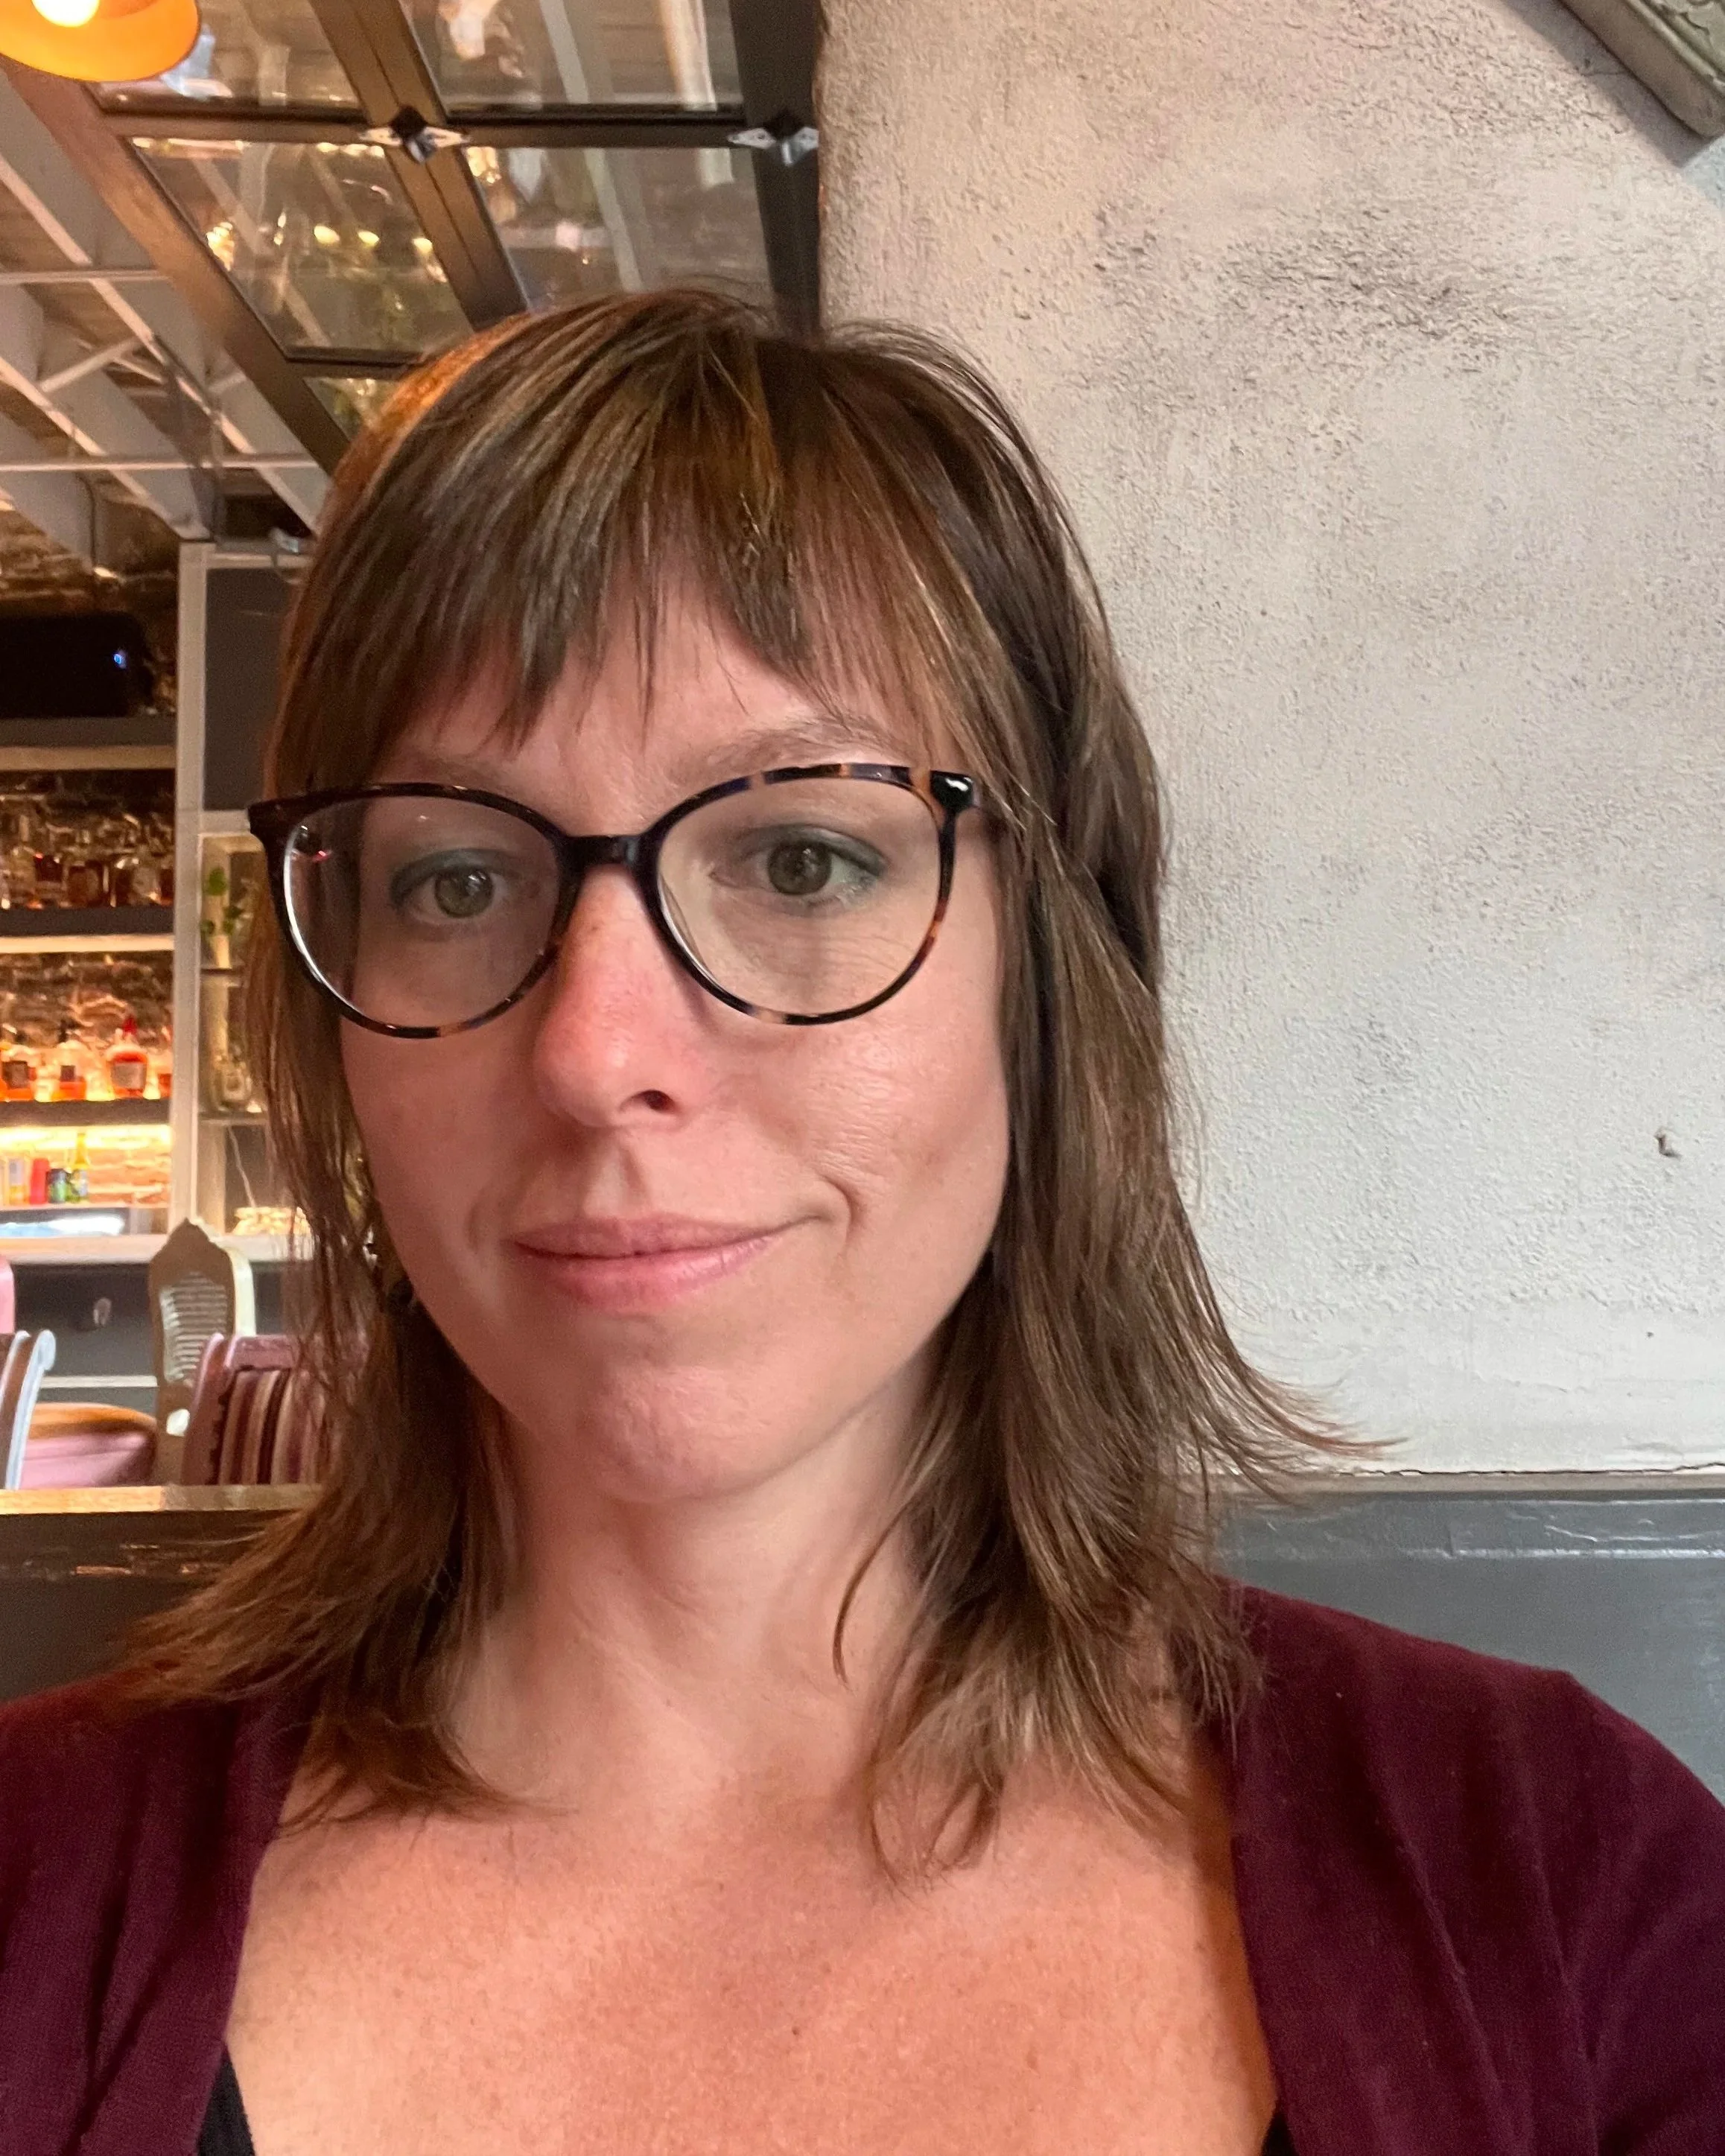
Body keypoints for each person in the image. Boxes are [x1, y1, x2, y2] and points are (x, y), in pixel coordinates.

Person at [1, 291, 1721, 2156]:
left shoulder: (1569, 1896)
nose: (595, 1053)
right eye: (460, 874)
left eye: (802, 857)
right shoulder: (33, 1890)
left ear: (1052, 966)